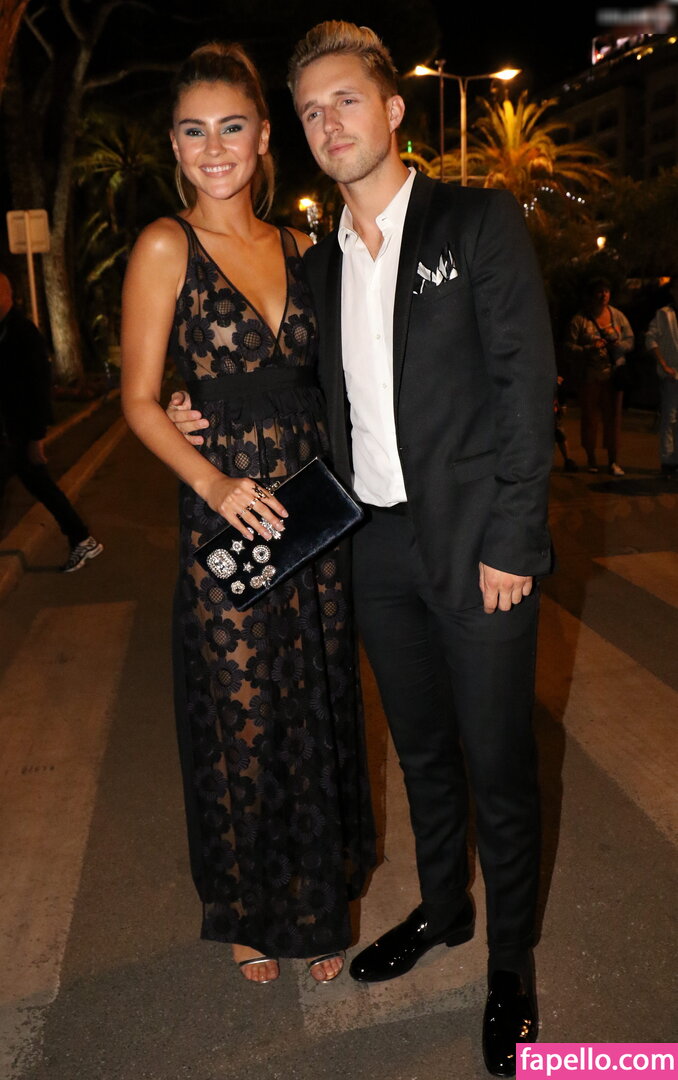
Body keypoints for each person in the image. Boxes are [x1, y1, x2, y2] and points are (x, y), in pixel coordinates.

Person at [169, 22, 555, 1076]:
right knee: (421, 752)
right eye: (310, 110)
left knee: (497, 763)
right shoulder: (321, 262)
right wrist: (191, 407)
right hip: (373, 551)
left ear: (390, 109)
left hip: (479, 548)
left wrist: (516, 537)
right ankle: (443, 911)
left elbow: (525, 387)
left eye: (346, 100)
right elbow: (284, 382)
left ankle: (510, 966)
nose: (329, 123)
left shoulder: (475, 221)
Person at [120, 42, 374, 987]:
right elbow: (138, 400)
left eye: (232, 127)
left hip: (311, 516)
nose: (214, 148)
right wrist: (212, 482)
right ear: (175, 146)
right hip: (225, 516)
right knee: (242, 718)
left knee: (317, 705)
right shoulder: (165, 246)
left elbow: (338, 377)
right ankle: (248, 906)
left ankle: (320, 904)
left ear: (265, 136)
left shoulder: (306, 247)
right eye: (194, 132)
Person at [0, 272, 103, 572]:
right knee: (42, 486)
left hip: (19, 433)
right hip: (11, 432)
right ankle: (81, 538)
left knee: (40, 485)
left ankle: (81, 538)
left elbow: (38, 386)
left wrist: (36, 437)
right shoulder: (5, 331)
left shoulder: (23, 332)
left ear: (6, 295)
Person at [565, 277, 633, 475]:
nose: (604, 295)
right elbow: (568, 346)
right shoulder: (580, 319)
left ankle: (613, 460)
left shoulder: (617, 316)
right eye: (599, 291)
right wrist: (589, 348)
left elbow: (630, 340)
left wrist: (618, 346)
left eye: (606, 291)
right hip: (590, 376)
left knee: (613, 418)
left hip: (613, 375)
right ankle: (591, 459)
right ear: (592, 294)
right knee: (590, 418)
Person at [645, 277, 678, 479]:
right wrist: (664, 365)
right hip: (672, 374)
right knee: (670, 418)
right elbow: (651, 339)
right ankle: (668, 462)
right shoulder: (665, 314)